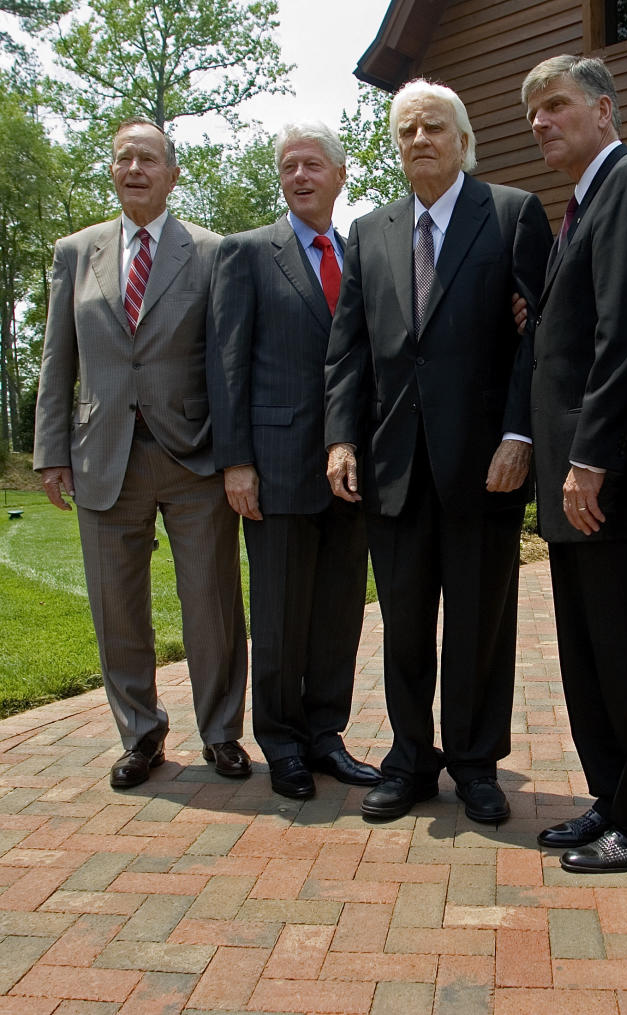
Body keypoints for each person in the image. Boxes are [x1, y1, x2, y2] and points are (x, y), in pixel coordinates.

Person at [324, 79, 552, 822]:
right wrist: (340, 439)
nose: (419, 139)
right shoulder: (368, 231)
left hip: (484, 463)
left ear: (462, 138)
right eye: (406, 130)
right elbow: (348, 350)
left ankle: (476, 763)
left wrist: (520, 434)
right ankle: (411, 759)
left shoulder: (512, 214)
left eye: (433, 127)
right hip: (393, 466)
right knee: (406, 624)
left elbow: (536, 343)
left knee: (481, 623)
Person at [33, 116, 250, 789]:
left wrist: (236, 453)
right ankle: (140, 733)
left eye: (148, 159)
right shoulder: (75, 252)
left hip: (192, 456)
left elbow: (228, 362)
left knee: (211, 604)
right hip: (102, 458)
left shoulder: (211, 252)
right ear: (112, 170)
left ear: (173, 173)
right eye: (124, 158)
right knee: (115, 606)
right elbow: (55, 358)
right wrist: (50, 451)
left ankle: (221, 732)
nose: (134, 168)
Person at [519, 55, 627, 872]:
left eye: (556, 105)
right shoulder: (576, 209)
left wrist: (591, 459)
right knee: (587, 657)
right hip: (569, 486)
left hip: (605, 483)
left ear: (605, 110)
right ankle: (613, 795)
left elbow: (626, 334)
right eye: (533, 115)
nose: (542, 122)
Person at [206, 122, 378, 800]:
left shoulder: (361, 251)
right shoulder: (246, 253)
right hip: (274, 465)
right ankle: (281, 741)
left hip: (353, 468)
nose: (298, 176)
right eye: (287, 167)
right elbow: (225, 365)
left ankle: (325, 734)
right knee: (278, 614)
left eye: (311, 165)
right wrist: (236, 461)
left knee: (339, 610)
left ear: (339, 175)